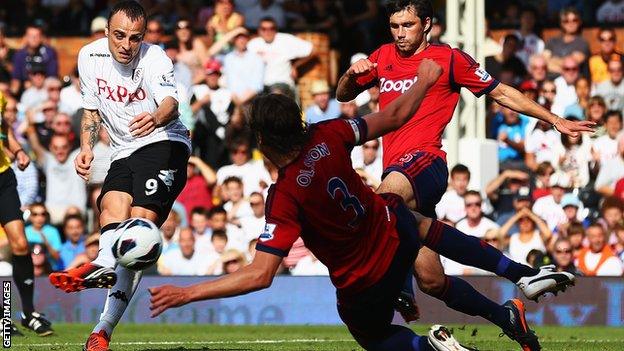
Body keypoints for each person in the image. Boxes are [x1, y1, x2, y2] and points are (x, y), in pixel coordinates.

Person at [149, 62, 576, 351]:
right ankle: (520, 276)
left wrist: (188, 292)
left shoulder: (284, 198)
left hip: (364, 278)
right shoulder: (329, 133)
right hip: (394, 232)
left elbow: (260, 274)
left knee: (371, 336)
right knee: (414, 221)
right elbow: (391, 119)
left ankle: (425, 344)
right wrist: (425, 81)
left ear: (262, 141)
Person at [335, 0, 592, 336]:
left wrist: (555, 119)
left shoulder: (449, 59)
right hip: (397, 173)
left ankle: (402, 288)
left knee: (384, 206)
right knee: (432, 280)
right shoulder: (382, 56)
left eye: (408, 25)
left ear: (426, 24)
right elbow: (343, 95)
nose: (400, 33)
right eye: (395, 26)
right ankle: (506, 316)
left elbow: (501, 93)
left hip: (425, 162)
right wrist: (350, 75)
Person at [47, 2, 191, 351]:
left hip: (164, 142)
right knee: (110, 212)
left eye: (135, 38)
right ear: (107, 32)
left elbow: (171, 103)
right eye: (119, 36)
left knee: (139, 228)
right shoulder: (89, 57)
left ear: (143, 36)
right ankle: (101, 313)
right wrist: (86, 148)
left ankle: (102, 299)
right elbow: (91, 110)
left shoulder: (155, 58)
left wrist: (156, 117)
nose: (127, 45)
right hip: (123, 150)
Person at [0, 92, 53, 336]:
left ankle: (29, 313)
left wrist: (19, 150)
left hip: (3, 177)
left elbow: (4, 129)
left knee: (21, 244)